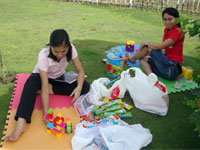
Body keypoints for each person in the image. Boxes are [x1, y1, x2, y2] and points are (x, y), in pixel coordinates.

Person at [4, 29, 90, 142]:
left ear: (68, 47)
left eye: (63, 51)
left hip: (59, 78)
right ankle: (21, 124)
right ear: (51, 47)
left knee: (85, 86)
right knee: (30, 83)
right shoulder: (43, 55)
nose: (60, 55)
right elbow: (44, 85)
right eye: (56, 52)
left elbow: (80, 71)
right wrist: (45, 113)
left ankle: (51, 89)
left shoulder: (72, 49)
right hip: (41, 78)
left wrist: (78, 88)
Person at [126, 7, 184, 80]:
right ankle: (151, 77)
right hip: (166, 69)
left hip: (172, 69)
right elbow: (163, 46)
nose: (167, 22)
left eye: (170, 19)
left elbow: (161, 46)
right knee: (142, 59)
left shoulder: (178, 31)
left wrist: (146, 43)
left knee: (148, 46)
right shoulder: (167, 30)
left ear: (177, 19)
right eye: (165, 19)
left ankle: (132, 58)